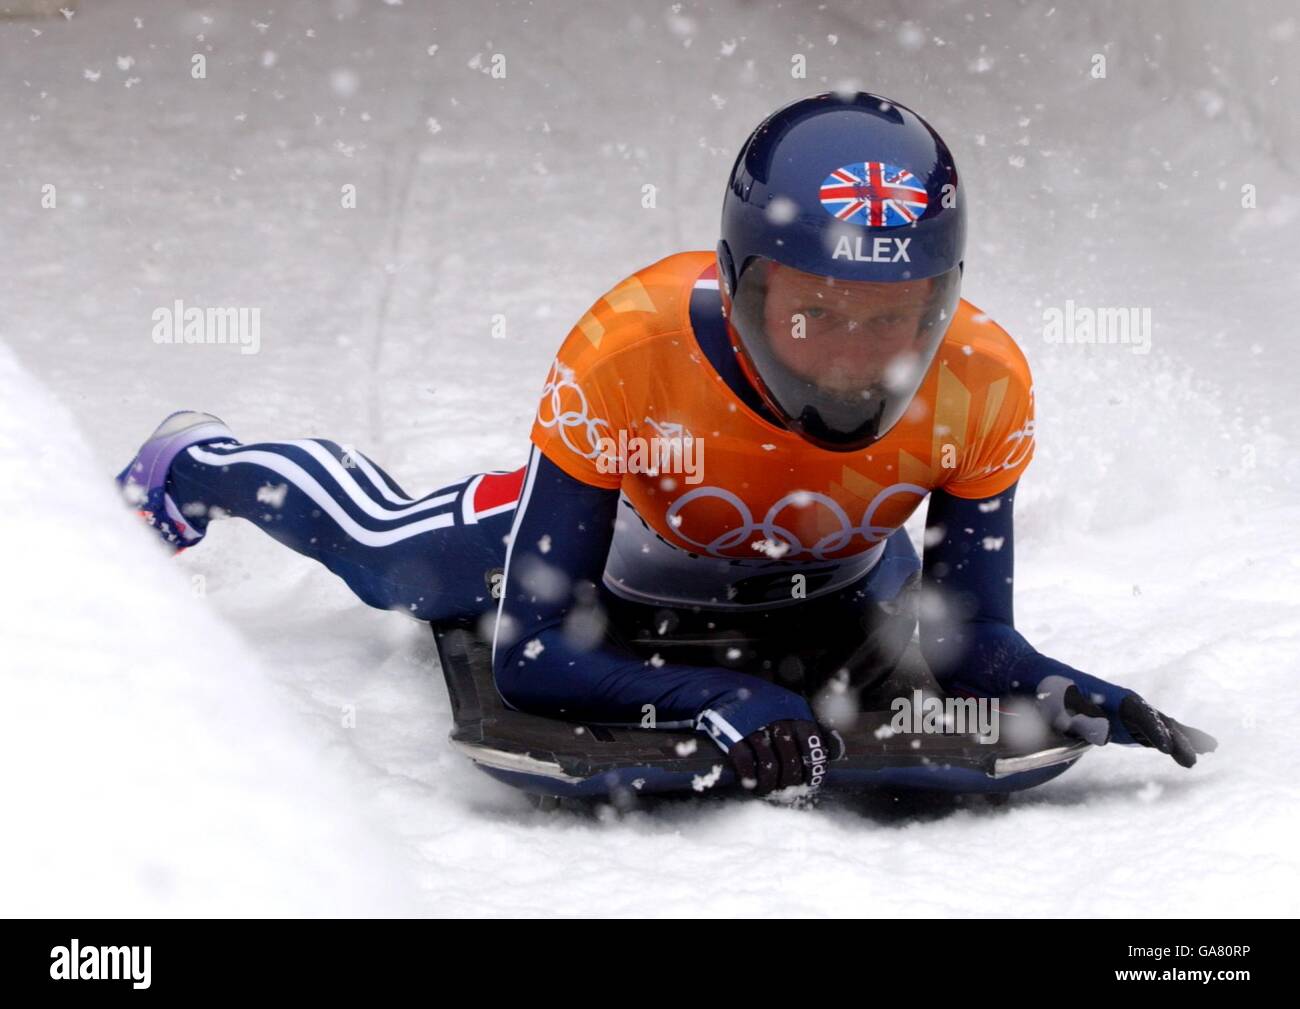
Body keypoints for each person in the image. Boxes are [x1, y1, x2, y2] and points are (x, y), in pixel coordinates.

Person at [116, 92, 1215, 797]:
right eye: (812, 311)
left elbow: (974, 645)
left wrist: (1076, 693)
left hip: (829, 581)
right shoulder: (626, 349)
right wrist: (713, 702)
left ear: (943, 304)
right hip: (621, 547)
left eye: (890, 316)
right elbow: (531, 654)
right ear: (740, 288)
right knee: (390, 557)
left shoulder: (986, 382)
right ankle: (201, 460)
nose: (849, 356)